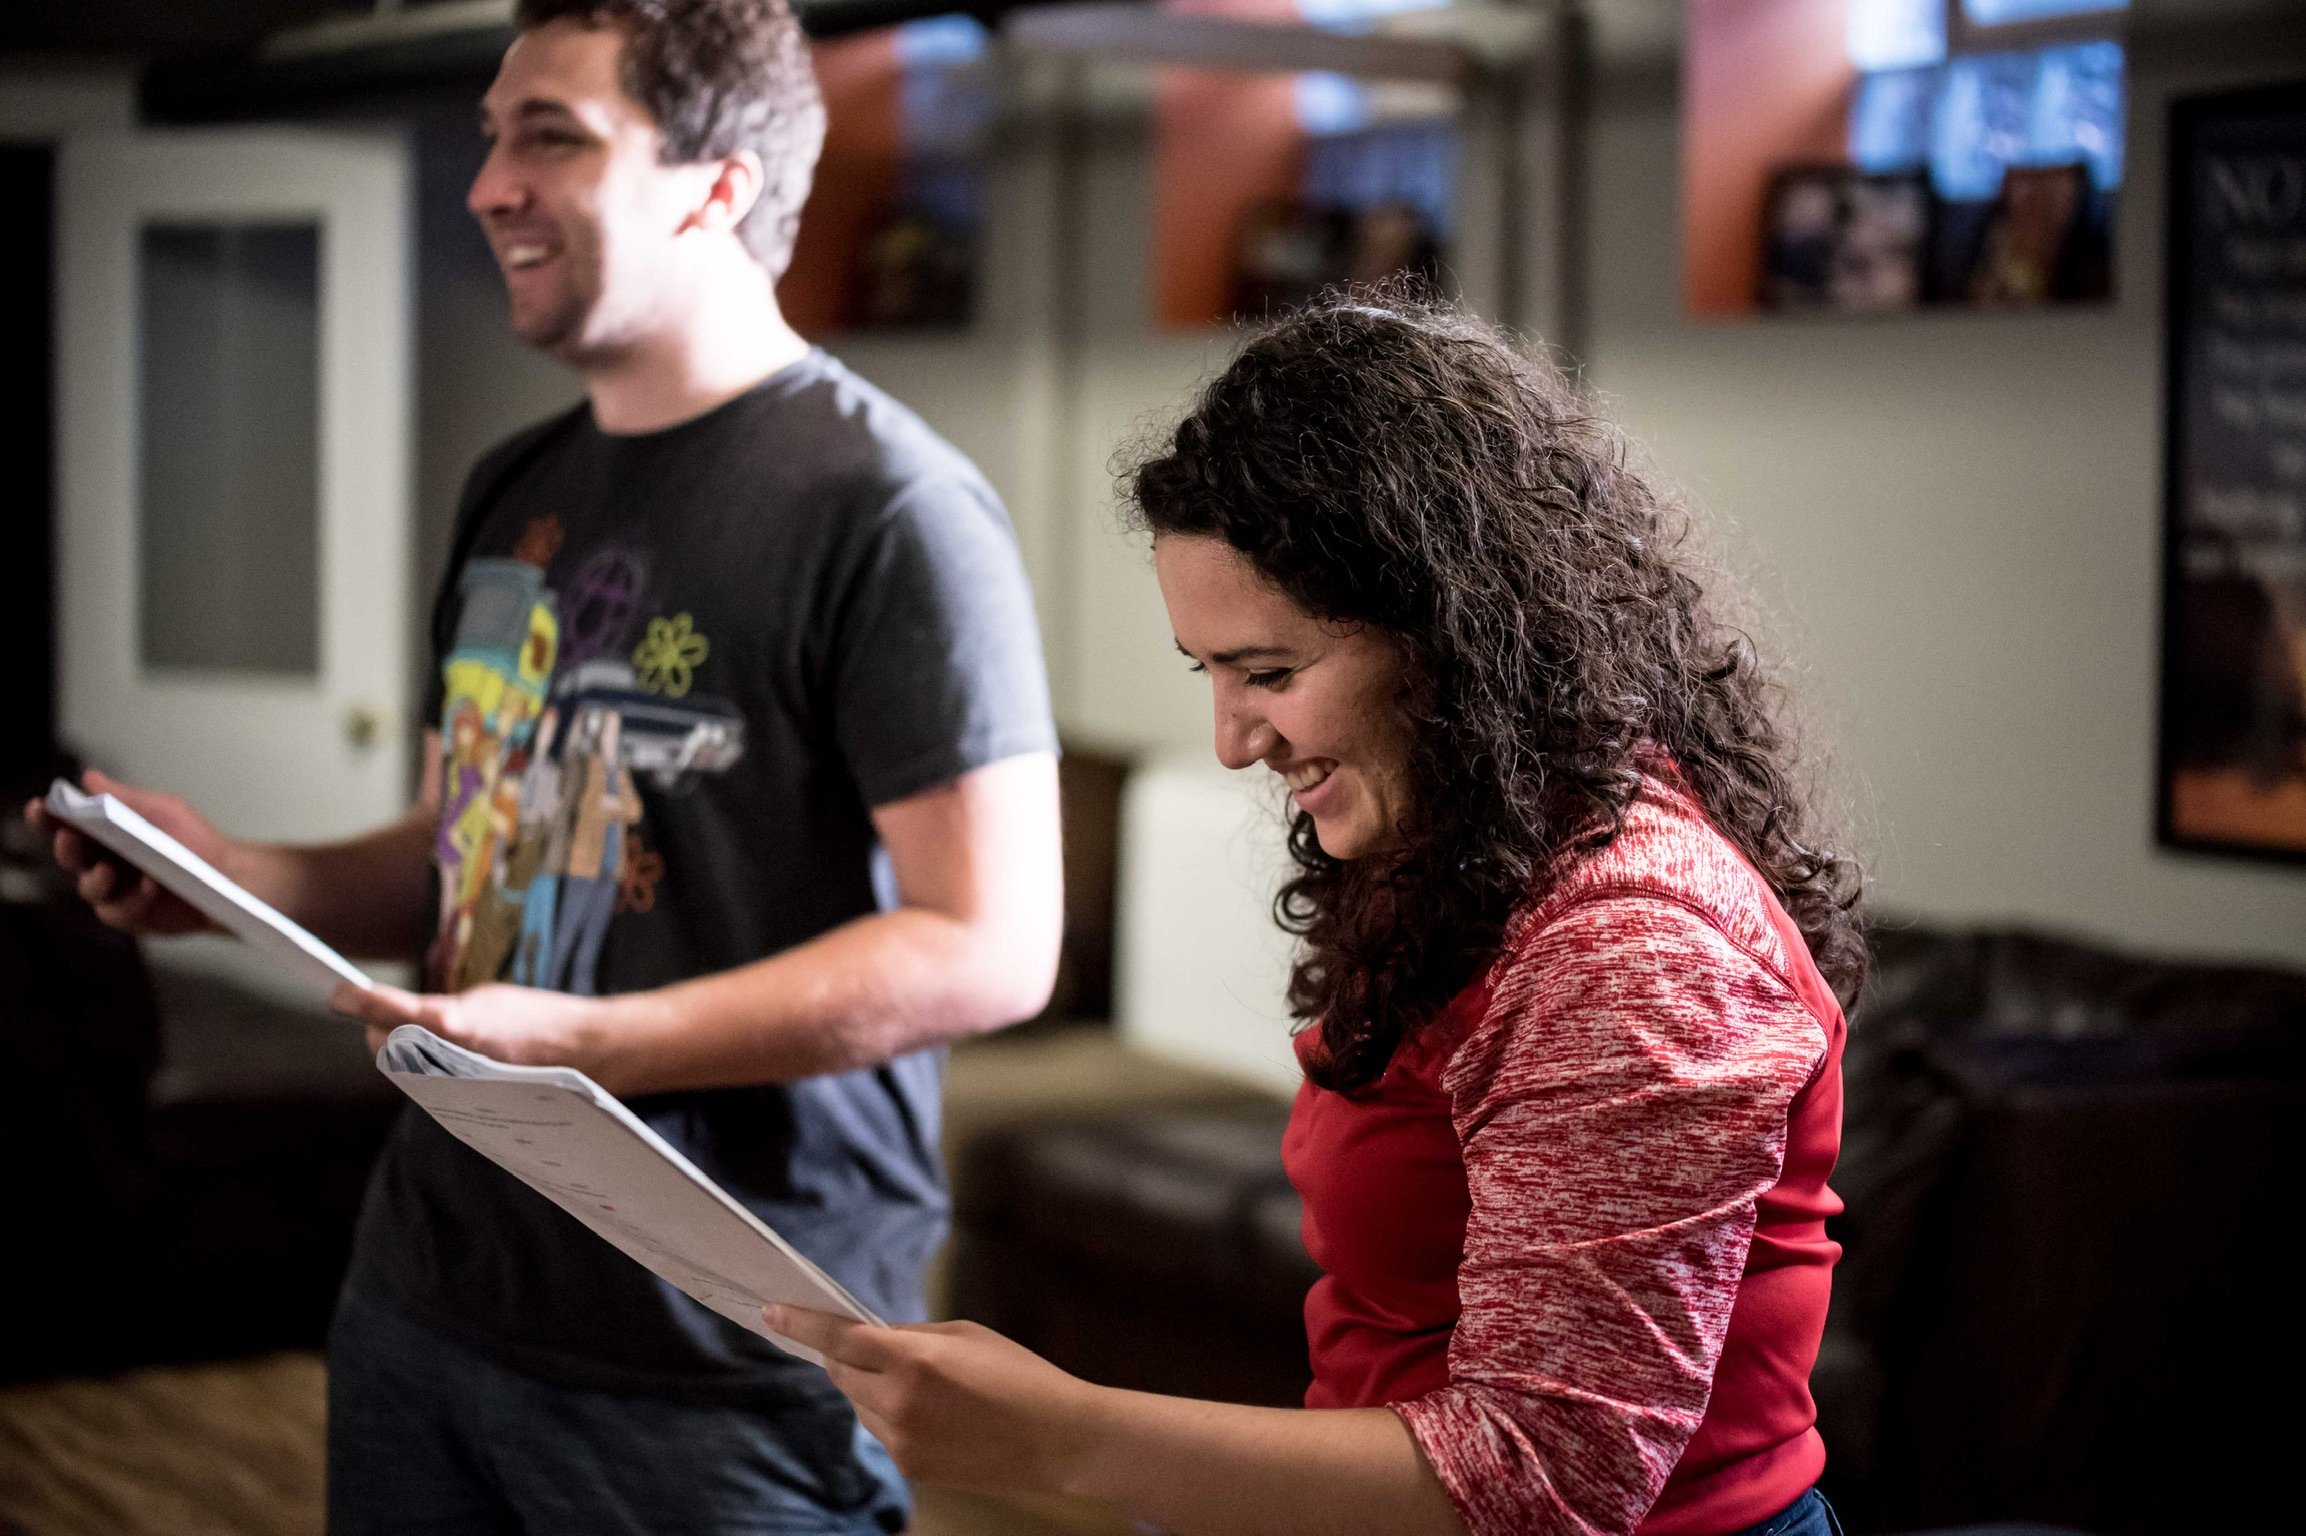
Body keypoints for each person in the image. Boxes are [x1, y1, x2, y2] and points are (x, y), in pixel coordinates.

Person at [28, 1, 1061, 1530]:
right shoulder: (517, 483)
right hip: (429, 1289)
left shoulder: (892, 509)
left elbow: (990, 946)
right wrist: (242, 884)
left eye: (548, 137)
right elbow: (472, 841)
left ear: (713, 182)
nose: (485, 183)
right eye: (491, 134)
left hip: (725, 1347)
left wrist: (593, 1042)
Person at [769, 296, 1867, 1536]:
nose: (1232, 741)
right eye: (1212, 673)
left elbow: (1543, 1475)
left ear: (1452, 631)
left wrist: (1065, 1439)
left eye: (1270, 675)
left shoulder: (1633, 949)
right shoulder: (1460, 853)